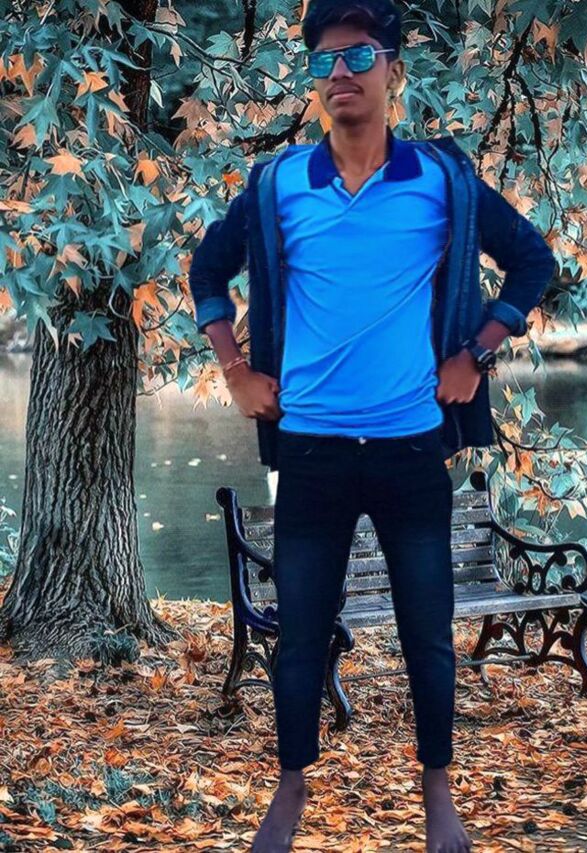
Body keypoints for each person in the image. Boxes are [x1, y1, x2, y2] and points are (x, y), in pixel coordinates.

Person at [188, 2, 556, 850]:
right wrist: (234, 369)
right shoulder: (278, 184)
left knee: (428, 632)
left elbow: (532, 260)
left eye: (357, 57)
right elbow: (208, 268)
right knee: (299, 636)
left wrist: (477, 353)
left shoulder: (441, 179)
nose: (339, 75)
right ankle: (290, 787)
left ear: (393, 70)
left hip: (411, 448)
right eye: (323, 63)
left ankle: (438, 791)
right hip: (310, 451)